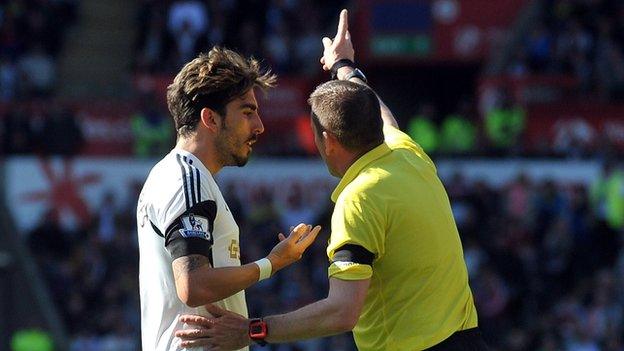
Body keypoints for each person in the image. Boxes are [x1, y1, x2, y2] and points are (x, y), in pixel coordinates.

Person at [175, 10, 487, 351]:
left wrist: (252, 330)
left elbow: (342, 312)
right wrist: (344, 67)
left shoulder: (360, 199)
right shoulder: (407, 154)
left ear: (328, 140)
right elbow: (381, 116)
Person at [136, 47, 321, 351]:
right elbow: (193, 286)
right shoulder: (186, 180)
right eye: (247, 112)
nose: (259, 126)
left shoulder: (186, 177)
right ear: (210, 118)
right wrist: (271, 264)